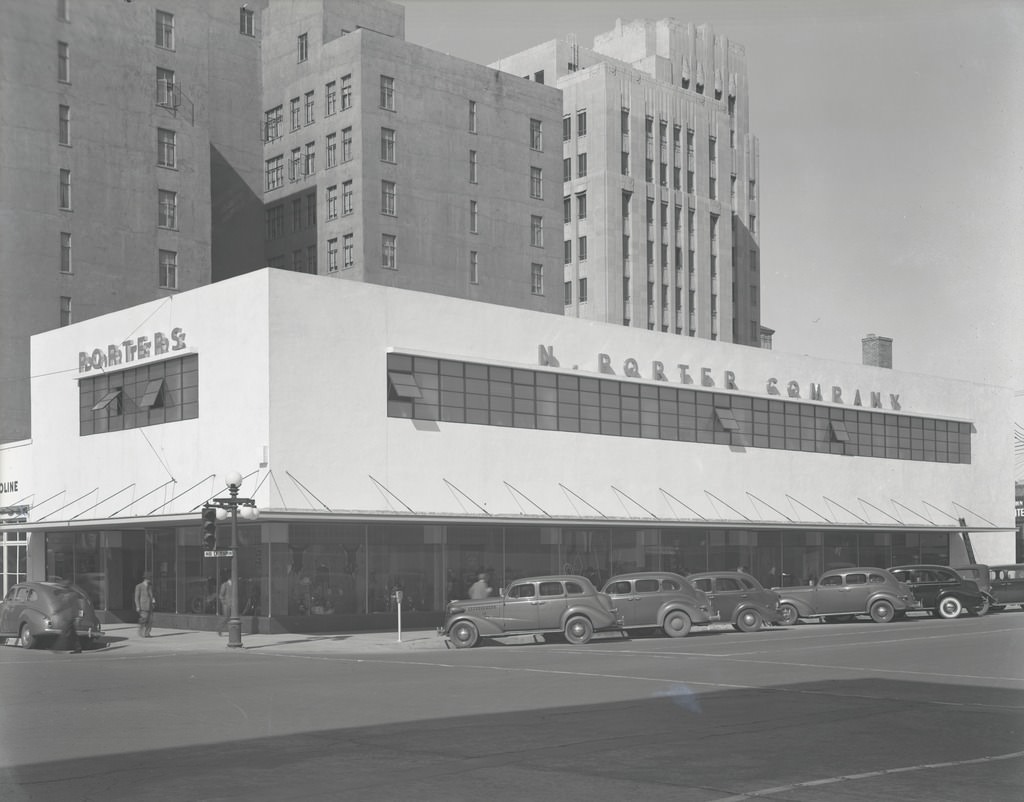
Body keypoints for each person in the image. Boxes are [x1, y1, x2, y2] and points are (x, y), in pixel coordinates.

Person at [51, 579, 83, 653]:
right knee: (72, 634)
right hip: (69, 617)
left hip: (71, 617)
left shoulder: (72, 595)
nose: (63, 589)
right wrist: (57, 611)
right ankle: (78, 648)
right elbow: (64, 606)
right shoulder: (67, 595)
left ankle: (57, 648)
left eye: (64, 587)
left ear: (67, 588)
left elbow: (76, 606)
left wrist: (78, 617)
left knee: (64, 633)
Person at [134, 571, 156, 637]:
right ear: (146, 578)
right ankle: (141, 632)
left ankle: (147, 633)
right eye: (149, 578)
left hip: (150, 606)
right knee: (143, 620)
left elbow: (151, 595)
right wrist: (137, 606)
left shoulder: (150, 586)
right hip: (143, 606)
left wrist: (153, 600)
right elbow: (136, 597)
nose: (150, 579)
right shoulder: (139, 586)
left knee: (150, 621)